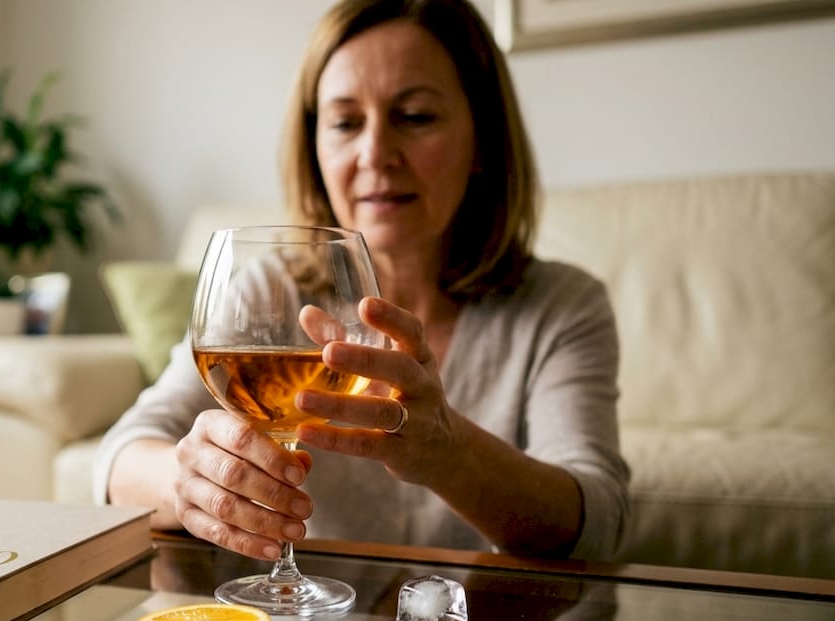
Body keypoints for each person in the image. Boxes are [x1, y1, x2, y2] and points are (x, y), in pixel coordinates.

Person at [95, 0, 628, 563]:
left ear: (482, 140)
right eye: (346, 122)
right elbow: (120, 461)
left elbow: (599, 522)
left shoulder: (563, 307)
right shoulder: (267, 290)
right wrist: (186, 484)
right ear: (316, 145)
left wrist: (449, 453)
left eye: (416, 116)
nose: (375, 153)